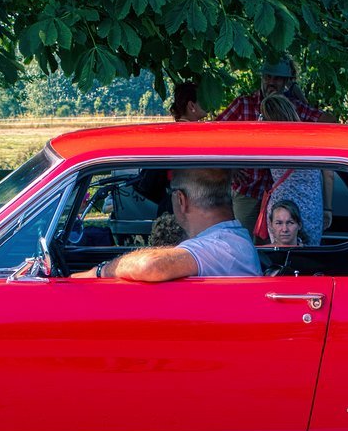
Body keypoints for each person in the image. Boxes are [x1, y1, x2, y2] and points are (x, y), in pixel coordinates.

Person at [74, 167, 259, 280]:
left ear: (180, 200)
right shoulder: (232, 238)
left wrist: (100, 272)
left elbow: (151, 266)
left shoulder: (219, 246)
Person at [214, 60, 328, 230]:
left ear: (287, 82)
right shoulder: (244, 104)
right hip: (248, 189)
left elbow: (329, 122)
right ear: (261, 77)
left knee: (278, 247)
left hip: (284, 194)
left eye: (278, 78)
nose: (271, 82)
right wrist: (230, 167)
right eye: (268, 77)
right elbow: (213, 135)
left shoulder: (293, 107)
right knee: (244, 240)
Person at [256, 93, 331, 244]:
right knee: (309, 255)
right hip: (311, 206)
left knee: (283, 252)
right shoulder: (311, 140)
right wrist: (328, 209)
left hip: (281, 208)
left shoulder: (268, 142)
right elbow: (328, 174)